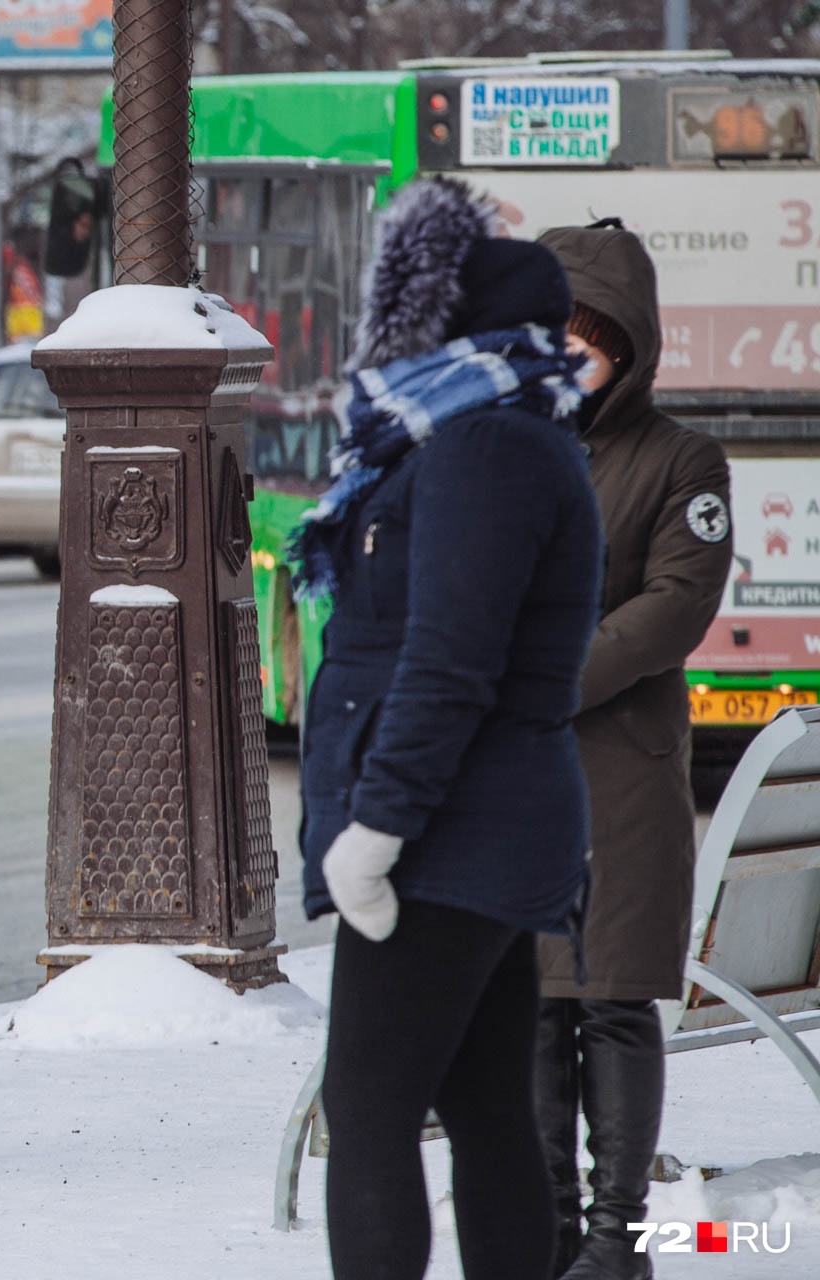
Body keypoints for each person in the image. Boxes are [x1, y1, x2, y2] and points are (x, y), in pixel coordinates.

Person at [290, 178, 603, 1280]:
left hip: (446, 839)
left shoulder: (485, 446)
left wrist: (378, 826)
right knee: (482, 1108)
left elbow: (450, 662)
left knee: (368, 1113)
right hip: (479, 826)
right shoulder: (498, 434)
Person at [533, 221, 732, 1280]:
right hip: (523, 782)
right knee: (532, 1000)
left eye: (586, 344)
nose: (565, 364)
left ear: (628, 348)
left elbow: (672, 608)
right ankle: (550, 1228)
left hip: (621, 771)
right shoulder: (511, 447)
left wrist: (542, 682)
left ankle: (617, 1237)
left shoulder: (680, 459)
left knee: (608, 998)